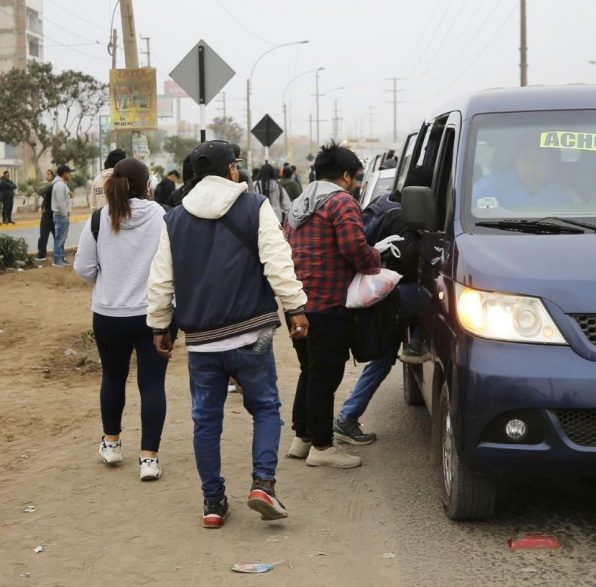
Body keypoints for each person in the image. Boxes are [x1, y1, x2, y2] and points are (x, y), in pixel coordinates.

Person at [147, 140, 309, 528]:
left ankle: (213, 502)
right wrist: (296, 308)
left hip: (202, 341)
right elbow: (277, 261)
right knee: (266, 408)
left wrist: (159, 324)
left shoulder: (173, 219)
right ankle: (262, 485)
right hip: (252, 333)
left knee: (206, 421)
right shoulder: (254, 206)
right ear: (231, 170)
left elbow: (161, 280)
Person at [285, 141, 381, 469]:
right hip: (327, 304)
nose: (354, 184)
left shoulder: (300, 202)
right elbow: (354, 246)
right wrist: (376, 261)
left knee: (309, 371)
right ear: (344, 175)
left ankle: (303, 438)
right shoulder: (341, 201)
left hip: (297, 305)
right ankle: (323, 448)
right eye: (353, 178)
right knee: (325, 375)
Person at [74, 158, 170, 481]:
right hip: (153, 314)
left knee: (113, 378)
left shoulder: (100, 219)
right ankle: (149, 460)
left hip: (108, 315)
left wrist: (110, 281)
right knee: (152, 384)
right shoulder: (162, 217)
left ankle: (112, 444)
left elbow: (83, 268)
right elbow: (172, 266)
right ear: (147, 186)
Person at [333, 167, 427, 445]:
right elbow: (409, 261)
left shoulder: (382, 204)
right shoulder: (404, 217)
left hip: (380, 292)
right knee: (429, 300)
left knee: (383, 359)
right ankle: (416, 343)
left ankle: (348, 417)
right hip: (396, 294)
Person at [472, 143, 575, 208]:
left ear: (551, 166)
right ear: (516, 162)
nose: (532, 168)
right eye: (526, 160)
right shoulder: (489, 185)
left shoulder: (564, 195)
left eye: (539, 161)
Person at [51, 164, 73, 267]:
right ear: (64, 173)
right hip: (61, 215)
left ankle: (61, 258)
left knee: (61, 238)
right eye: (69, 173)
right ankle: (58, 260)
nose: (70, 175)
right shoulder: (59, 185)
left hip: (62, 215)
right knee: (59, 238)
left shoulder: (62, 184)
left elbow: (64, 199)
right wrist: (65, 215)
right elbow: (60, 202)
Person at [35, 169, 55, 261]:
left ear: (53, 175)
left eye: (49, 174)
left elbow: (40, 190)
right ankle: (42, 254)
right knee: (43, 236)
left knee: (56, 236)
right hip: (48, 214)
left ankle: (57, 254)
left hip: (51, 214)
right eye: (46, 174)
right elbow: (40, 190)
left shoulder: (54, 185)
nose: (47, 175)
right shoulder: (49, 185)